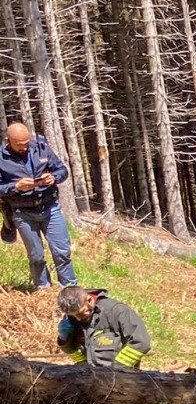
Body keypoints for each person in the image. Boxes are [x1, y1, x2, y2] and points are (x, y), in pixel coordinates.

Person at [1, 122, 75, 290]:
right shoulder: (1, 158)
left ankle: (70, 289)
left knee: (62, 251)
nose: (24, 148)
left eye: (26, 143)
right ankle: (43, 290)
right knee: (36, 256)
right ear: (8, 141)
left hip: (50, 207)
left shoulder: (42, 148)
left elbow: (62, 170)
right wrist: (16, 186)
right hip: (22, 212)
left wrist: (54, 177)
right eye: (19, 145)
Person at [56, 286, 151, 369]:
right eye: (74, 316)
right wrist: (65, 340)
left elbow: (141, 343)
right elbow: (78, 354)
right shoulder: (71, 317)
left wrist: (117, 370)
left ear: (89, 300)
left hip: (121, 377)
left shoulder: (116, 311)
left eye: (81, 313)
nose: (78, 319)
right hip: (90, 377)